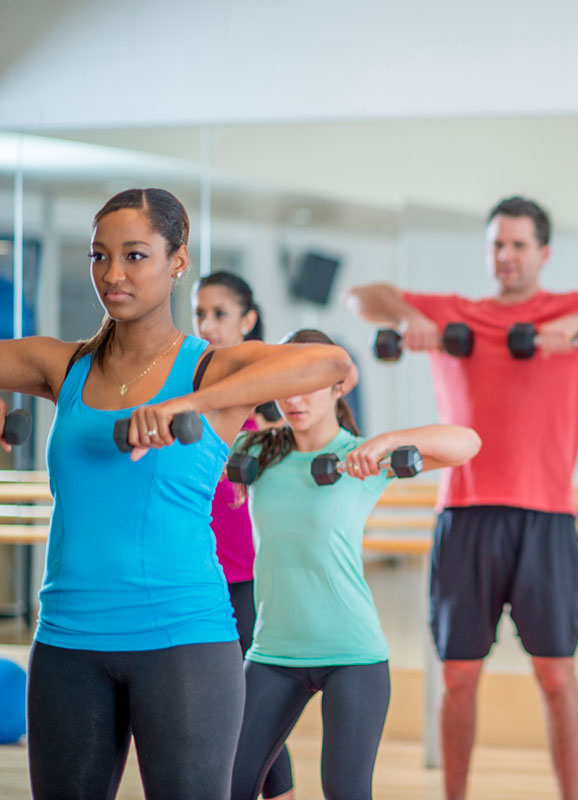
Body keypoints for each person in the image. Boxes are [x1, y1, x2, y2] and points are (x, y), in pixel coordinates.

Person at [0, 188, 355, 800]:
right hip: (66, 642)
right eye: (100, 256)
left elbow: (329, 364)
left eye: (135, 255)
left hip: (183, 645)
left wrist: (186, 405)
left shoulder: (209, 369)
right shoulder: (63, 366)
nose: (113, 274)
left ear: (178, 262)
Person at [344, 196, 578, 800]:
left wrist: (575, 325)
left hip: (547, 519)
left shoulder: (567, 312)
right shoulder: (457, 314)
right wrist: (409, 318)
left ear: (542, 253)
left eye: (519, 244)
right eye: (497, 244)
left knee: (557, 674)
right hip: (464, 515)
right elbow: (360, 297)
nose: (506, 256)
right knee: (458, 676)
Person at [229, 328, 481, 800]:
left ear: (338, 387)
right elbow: (201, 428)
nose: (294, 399)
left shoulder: (361, 459)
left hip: (352, 654)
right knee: (226, 784)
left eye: (308, 383)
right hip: (273, 653)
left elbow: (467, 443)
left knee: (345, 790)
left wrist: (386, 441)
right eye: (284, 383)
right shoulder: (255, 451)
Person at [193, 270, 295, 800]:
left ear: (248, 320)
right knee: (210, 710)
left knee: (256, 709)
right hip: (195, 575)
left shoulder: (272, 408)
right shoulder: (188, 397)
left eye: (220, 314)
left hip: (250, 581)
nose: (207, 325)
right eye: (200, 314)